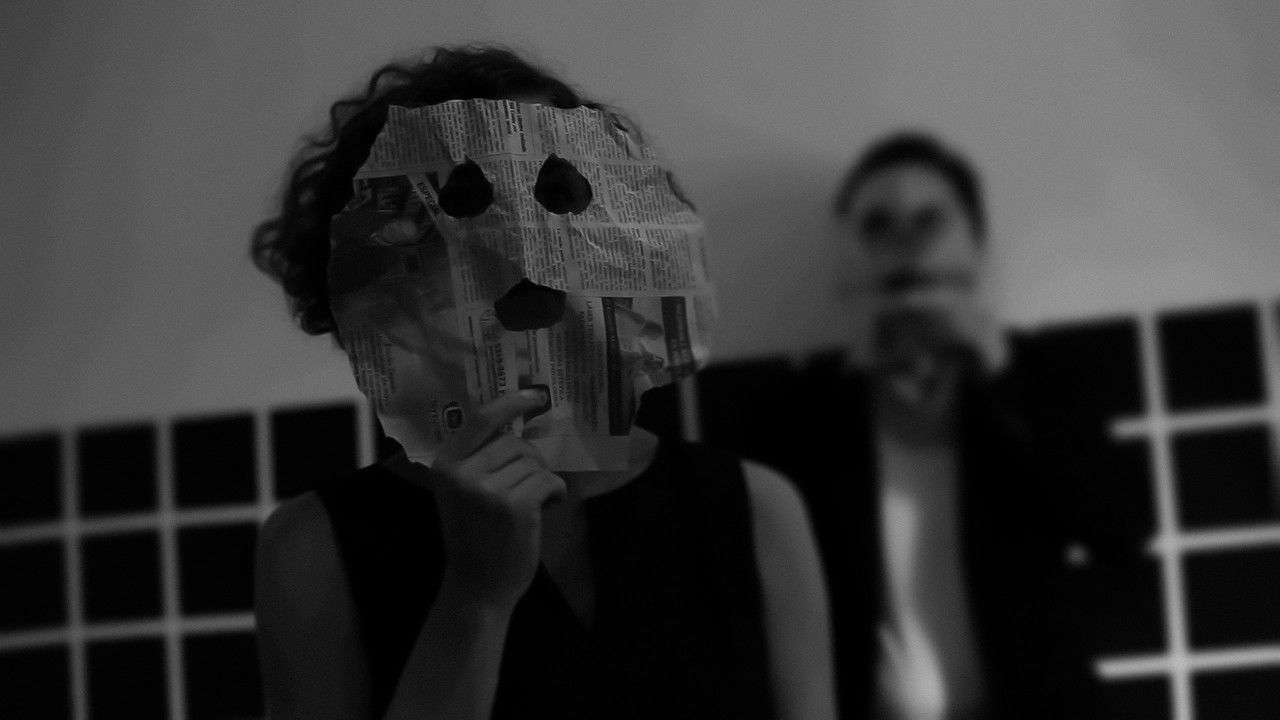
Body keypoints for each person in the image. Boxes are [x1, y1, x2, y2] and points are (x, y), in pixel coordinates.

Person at [249, 45, 834, 720]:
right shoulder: (315, 550)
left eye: (558, 195)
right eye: (459, 207)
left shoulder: (754, 512)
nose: (524, 246)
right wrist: (475, 599)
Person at [742, 132, 1129, 720]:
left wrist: (999, 371)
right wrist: (851, 374)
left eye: (929, 221)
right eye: (877, 225)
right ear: (846, 258)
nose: (906, 246)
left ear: (976, 246)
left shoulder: (1043, 382)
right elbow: (757, 589)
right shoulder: (795, 413)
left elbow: (1120, 531)